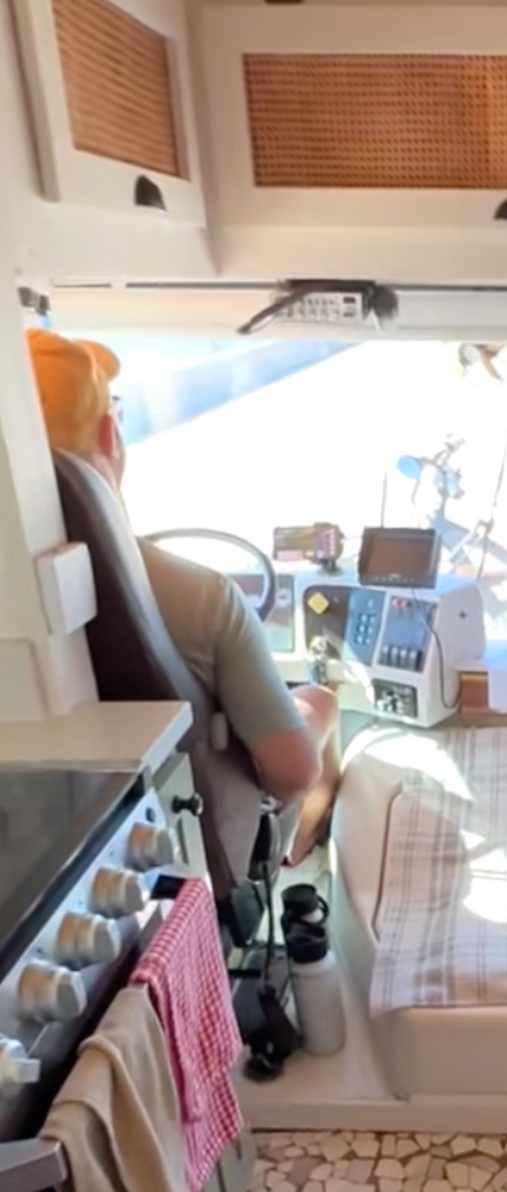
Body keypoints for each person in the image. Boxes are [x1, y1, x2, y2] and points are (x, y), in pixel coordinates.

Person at [28, 329, 343, 862]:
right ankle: (298, 858)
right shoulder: (201, 596)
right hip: (205, 846)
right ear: (111, 434)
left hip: (50, 841)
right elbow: (292, 773)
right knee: (321, 700)